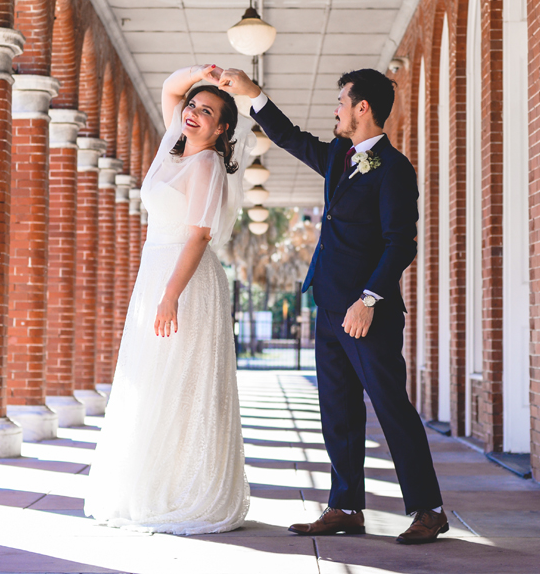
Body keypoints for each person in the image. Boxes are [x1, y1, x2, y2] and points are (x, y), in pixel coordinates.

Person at [220, 67, 448, 545]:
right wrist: (252, 94)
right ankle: (345, 505)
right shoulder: (341, 157)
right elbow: (287, 136)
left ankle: (428, 509)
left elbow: (399, 244)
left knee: (391, 408)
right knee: (337, 409)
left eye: (342, 101)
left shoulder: (395, 169)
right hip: (328, 306)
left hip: (369, 314)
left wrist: (368, 299)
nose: (336, 110)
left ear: (363, 108)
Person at [84, 64, 251, 535]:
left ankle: (186, 489)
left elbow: (199, 236)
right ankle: (152, 483)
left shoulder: (206, 164)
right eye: (193, 106)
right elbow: (169, 87)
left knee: (183, 384)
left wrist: (169, 297)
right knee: (154, 380)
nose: (194, 113)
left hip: (187, 281)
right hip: (154, 272)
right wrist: (205, 75)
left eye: (208, 111)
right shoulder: (171, 150)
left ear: (222, 130)